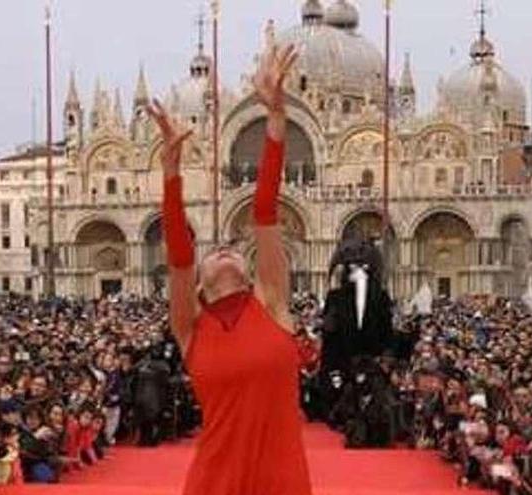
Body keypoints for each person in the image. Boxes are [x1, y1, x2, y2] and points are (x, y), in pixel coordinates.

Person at [149, 22, 311, 494]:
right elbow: (178, 254)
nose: (222, 250)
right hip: (214, 481)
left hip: (281, 481)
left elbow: (265, 209)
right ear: (199, 284)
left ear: (247, 270)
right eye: (214, 250)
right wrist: (172, 173)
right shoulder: (190, 329)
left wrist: (277, 118)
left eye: (231, 250)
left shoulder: (272, 303)